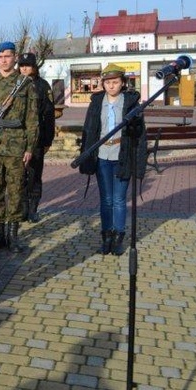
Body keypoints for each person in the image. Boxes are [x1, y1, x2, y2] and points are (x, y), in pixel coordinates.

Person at [79, 64, 147, 256]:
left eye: (115, 82)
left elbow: (140, 134)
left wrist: (139, 161)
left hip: (121, 155)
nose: (111, 86)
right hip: (102, 156)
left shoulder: (131, 103)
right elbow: (89, 129)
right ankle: (106, 236)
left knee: (118, 199)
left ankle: (118, 237)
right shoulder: (97, 102)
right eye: (108, 82)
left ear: (123, 83)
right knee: (106, 200)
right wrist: (85, 155)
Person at [0, 42, 38, 254]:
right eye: (0, 57)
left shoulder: (25, 84)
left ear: (15, 58)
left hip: (16, 145)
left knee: (15, 191)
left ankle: (13, 236)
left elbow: (32, 119)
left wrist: (30, 147)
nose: (4, 60)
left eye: (8, 56)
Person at [18, 53, 55, 223]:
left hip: (37, 139)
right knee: (19, 176)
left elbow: (49, 115)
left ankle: (33, 209)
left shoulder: (43, 86)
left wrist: (48, 140)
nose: (24, 68)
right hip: (17, 139)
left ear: (34, 67)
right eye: (22, 65)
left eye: (28, 65)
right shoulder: (15, 84)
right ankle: (22, 208)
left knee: (33, 175)